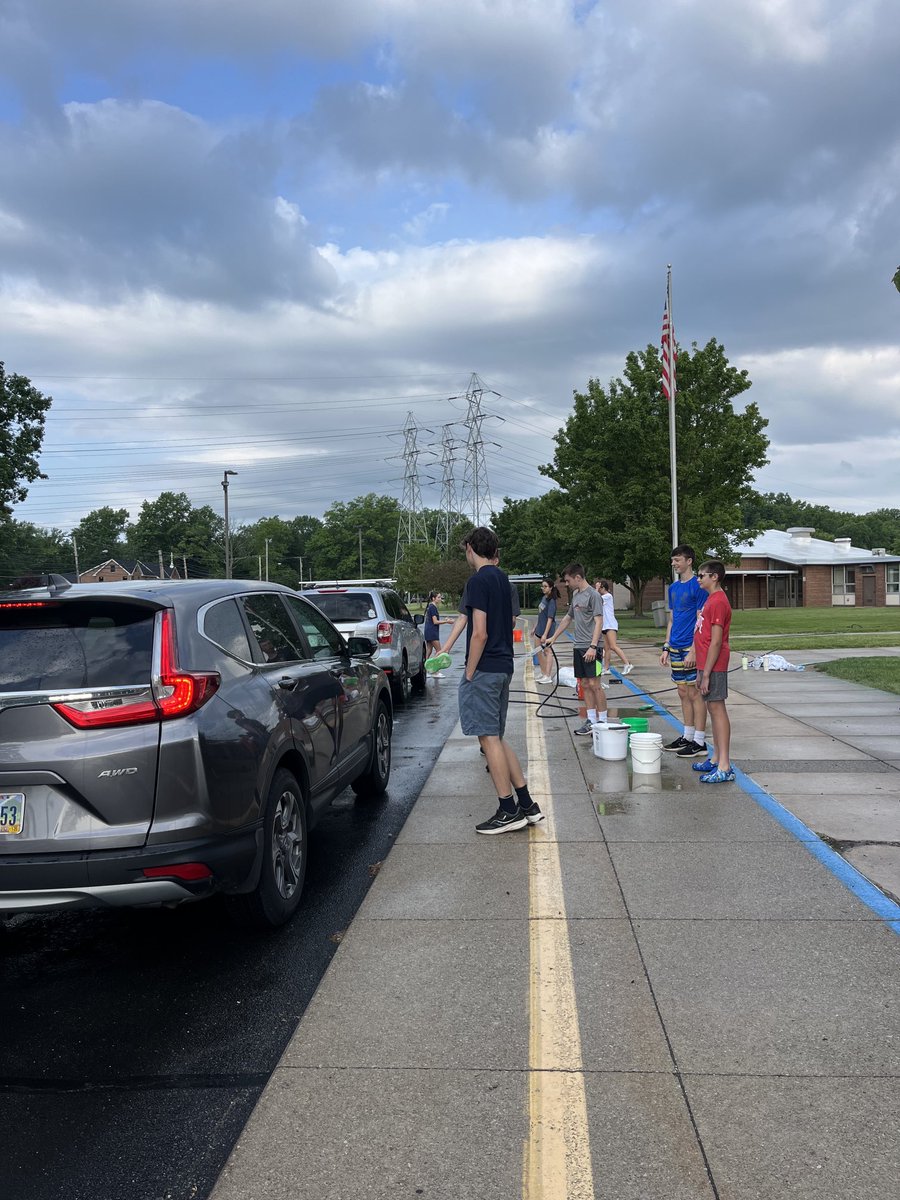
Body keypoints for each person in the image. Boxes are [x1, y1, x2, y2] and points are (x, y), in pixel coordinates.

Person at [444, 527, 544, 834]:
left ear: (472, 548)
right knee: (496, 738)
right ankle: (526, 804)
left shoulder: (477, 581)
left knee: (488, 740)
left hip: (484, 668)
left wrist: (470, 671)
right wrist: (446, 648)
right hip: (503, 666)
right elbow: (472, 619)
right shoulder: (502, 579)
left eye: (466, 550)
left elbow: (480, 632)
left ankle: (507, 809)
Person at [540, 563, 606, 735]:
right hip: (578, 646)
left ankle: (604, 723)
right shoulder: (576, 595)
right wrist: (553, 638)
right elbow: (568, 618)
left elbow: (599, 621)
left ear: (578, 577)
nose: (567, 584)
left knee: (595, 684)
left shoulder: (593, 595)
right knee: (584, 683)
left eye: (568, 581)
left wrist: (593, 647)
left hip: (593, 648)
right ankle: (591, 720)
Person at [659, 545, 708, 758]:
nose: (674, 564)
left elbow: (701, 620)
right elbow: (672, 618)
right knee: (682, 692)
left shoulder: (698, 586)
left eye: (677, 560)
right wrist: (666, 647)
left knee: (694, 693)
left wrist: (695, 651)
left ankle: (699, 741)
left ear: (689, 561)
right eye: (673, 560)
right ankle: (687, 736)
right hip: (676, 645)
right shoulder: (673, 588)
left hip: (691, 646)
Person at [692, 561, 735, 783]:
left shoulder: (718, 601)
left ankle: (725, 765)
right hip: (705, 664)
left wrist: (707, 673)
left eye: (702, 575)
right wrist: (701, 669)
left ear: (715, 577)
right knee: (712, 707)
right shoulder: (710, 600)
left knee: (717, 709)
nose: (699, 579)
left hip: (715, 664)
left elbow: (716, 642)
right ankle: (716, 758)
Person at [594, 579, 632, 683]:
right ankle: (606, 668)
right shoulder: (602, 597)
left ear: (603, 587)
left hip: (610, 625)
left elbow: (596, 599)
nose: (597, 589)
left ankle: (627, 664)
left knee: (613, 646)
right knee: (606, 649)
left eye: (599, 587)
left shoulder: (607, 596)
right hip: (604, 626)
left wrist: (596, 590)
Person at [533, 576, 558, 683]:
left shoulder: (552, 601)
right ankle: (543, 672)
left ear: (551, 587)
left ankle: (547, 676)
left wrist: (545, 634)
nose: (543, 588)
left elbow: (550, 619)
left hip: (547, 631)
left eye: (545, 586)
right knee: (538, 651)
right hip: (539, 629)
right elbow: (541, 615)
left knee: (548, 652)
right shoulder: (544, 598)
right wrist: (535, 628)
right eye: (542, 586)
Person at [422, 591, 452, 677]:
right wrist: (446, 621)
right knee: (439, 651)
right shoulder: (433, 607)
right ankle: (435, 672)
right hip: (432, 632)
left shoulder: (430, 606)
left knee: (429, 651)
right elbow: (435, 622)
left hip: (428, 631)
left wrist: (445, 619)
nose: (440, 599)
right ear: (433, 598)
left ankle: (425, 670)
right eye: (438, 597)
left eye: (440, 597)